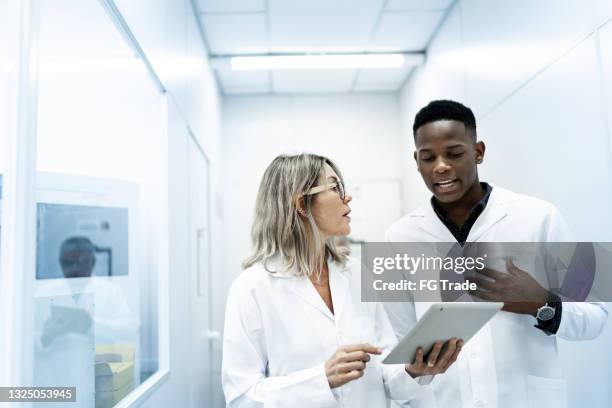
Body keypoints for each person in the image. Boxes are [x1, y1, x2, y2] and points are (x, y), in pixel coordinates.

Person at [384, 100, 608, 408]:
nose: (440, 166)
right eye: (428, 157)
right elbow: (398, 350)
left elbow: (598, 315)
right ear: (416, 160)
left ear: (478, 151)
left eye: (454, 153)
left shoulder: (541, 216)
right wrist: (413, 370)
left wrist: (541, 303)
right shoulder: (397, 238)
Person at [222, 154, 464, 408]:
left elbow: (384, 371)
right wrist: (322, 379)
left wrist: (413, 370)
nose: (347, 197)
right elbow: (242, 397)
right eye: (335, 187)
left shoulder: (357, 273)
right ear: (301, 204)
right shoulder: (252, 288)